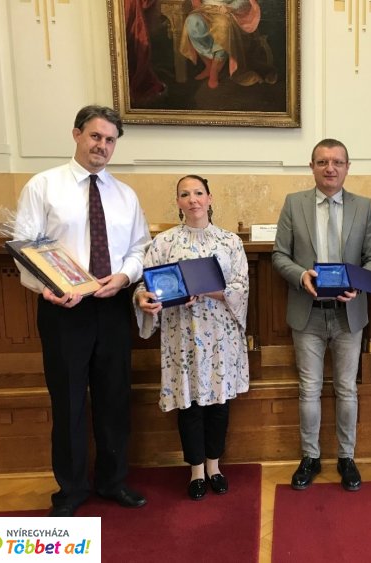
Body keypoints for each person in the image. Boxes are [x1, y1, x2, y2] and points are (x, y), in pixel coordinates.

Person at [14, 105, 152, 517]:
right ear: (76, 134)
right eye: (95, 136)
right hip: (63, 310)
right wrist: (48, 288)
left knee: (114, 398)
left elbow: (140, 247)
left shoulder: (125, 195)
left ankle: (113, 481)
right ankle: (71, 490)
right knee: (69, 401)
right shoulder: (43, 186)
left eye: (110, 140)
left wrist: (124, 276)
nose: (102, 146)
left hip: (112, 307)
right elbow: (24, 247)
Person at [272, 139, 371, 492]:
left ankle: (346, 458)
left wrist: (358, 285)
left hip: (349, 313)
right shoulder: (294, 204)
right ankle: (311, 457)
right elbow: (279, 255)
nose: (330, 168)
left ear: (347, 167)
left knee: (346, 389)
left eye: (337, 162)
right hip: (308, 314)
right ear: (312, 166)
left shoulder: (364, 206)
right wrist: (300, 275)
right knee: (309, 389)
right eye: (322, 162)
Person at [134, 175, 250, 500]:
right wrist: (144, 298)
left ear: (210, 198)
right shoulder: (164, 243)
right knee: (190, 404)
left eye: (198, 192)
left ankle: (214, 466)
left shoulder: (229, 241)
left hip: (221, 335)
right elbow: (145, 284)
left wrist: (206, 290)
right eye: (185, 194)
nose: (193, 199)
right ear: (178, 202)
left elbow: (240, 286)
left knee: (219, 403)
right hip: (181, 334)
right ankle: (196, 470)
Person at [180, 0, 277, 89]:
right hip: (204, 8)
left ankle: (214, 70)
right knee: (192, 21)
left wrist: (230, 8)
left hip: (226, 11)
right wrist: (197, 5)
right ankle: (208, 64)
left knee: (223, 27)